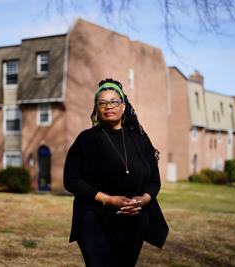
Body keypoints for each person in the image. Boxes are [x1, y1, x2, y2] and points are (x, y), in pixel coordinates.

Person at [63, 78, 169, 267]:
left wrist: (143, 199)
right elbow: (71, 180)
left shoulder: (140, 141)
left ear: (123, 106)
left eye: (113, 101)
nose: (108, 106)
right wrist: (109, 199)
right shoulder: (86, 140)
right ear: (96, 108)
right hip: (93, 217)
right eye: (102, 103)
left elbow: (155, 182)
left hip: (134, 219)